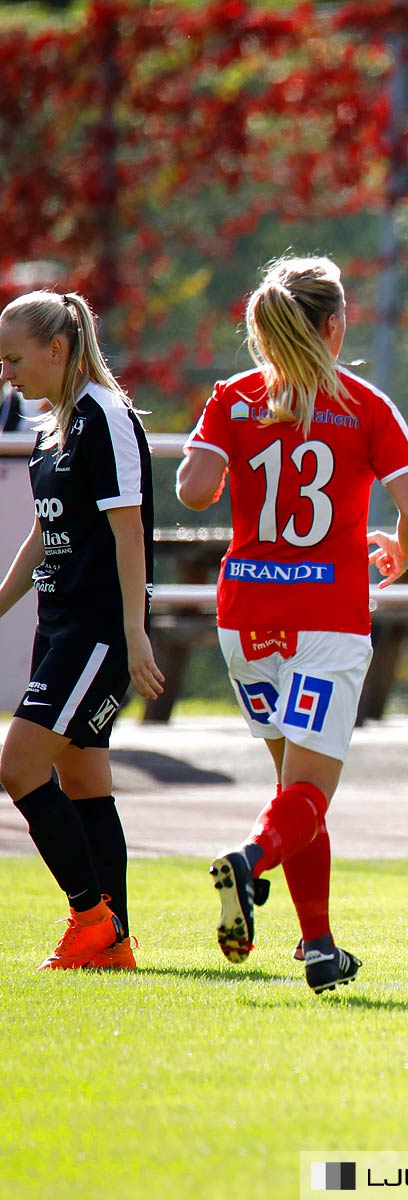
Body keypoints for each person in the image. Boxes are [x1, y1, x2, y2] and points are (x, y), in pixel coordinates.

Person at [176, 256, 408, 995]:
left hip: (248, 614)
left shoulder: (235, 398)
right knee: (308, 792)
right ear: (335, 326)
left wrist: (233, 454)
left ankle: (319, 946)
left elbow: (194, 492)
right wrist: (400, 550)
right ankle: (249, 863)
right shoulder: (365, 404)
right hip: (327, 616)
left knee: (294, 783)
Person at [0, 290, 160, 969]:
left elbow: (129, 534)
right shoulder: (53, 421)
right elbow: (46, 528)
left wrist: (135, 633)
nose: (7, 374)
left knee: (17, 766)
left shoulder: (105, 414)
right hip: (60, 623)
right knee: (86, 782)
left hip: (96, 632)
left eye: (14, 358)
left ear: (57, 349)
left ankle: (90, 919)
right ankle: (113, 941)